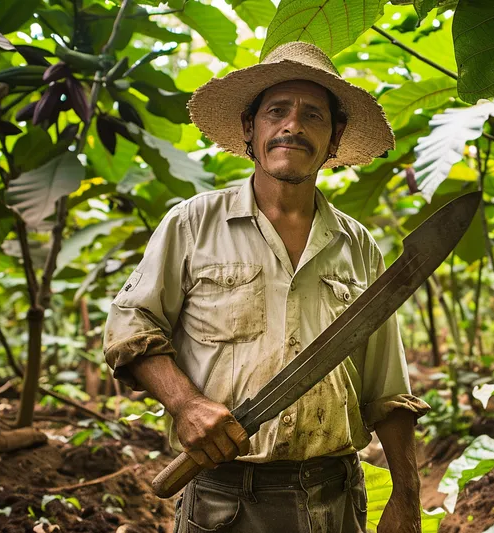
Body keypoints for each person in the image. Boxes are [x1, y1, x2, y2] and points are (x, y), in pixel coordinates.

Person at [103, 41, 430, 533]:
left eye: (313, 115)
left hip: (336, 496)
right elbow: (131, 325)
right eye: (277, 111)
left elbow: (387, 389)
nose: (292, 126)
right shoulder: (192, 224)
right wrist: (185, 403)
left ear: (334, 138)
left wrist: (407, 497)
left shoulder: (358, 246)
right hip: (223, 498)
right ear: (249, 129)